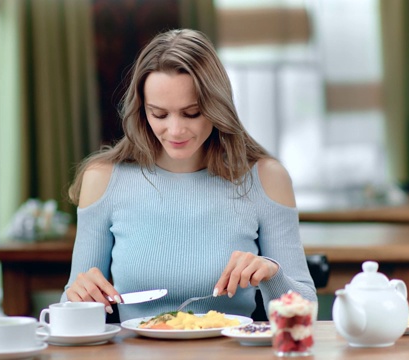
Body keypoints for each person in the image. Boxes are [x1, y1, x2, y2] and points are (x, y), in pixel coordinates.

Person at [61, 28, 316, 322]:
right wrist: (76, 297)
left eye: (192, 113)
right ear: (141, 110)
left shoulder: (266, 178)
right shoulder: (103, 179)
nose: (176, 130)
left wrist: (273, 274)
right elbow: (72, 308)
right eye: (159, 114)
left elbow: (306, 309)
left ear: (217, 107)